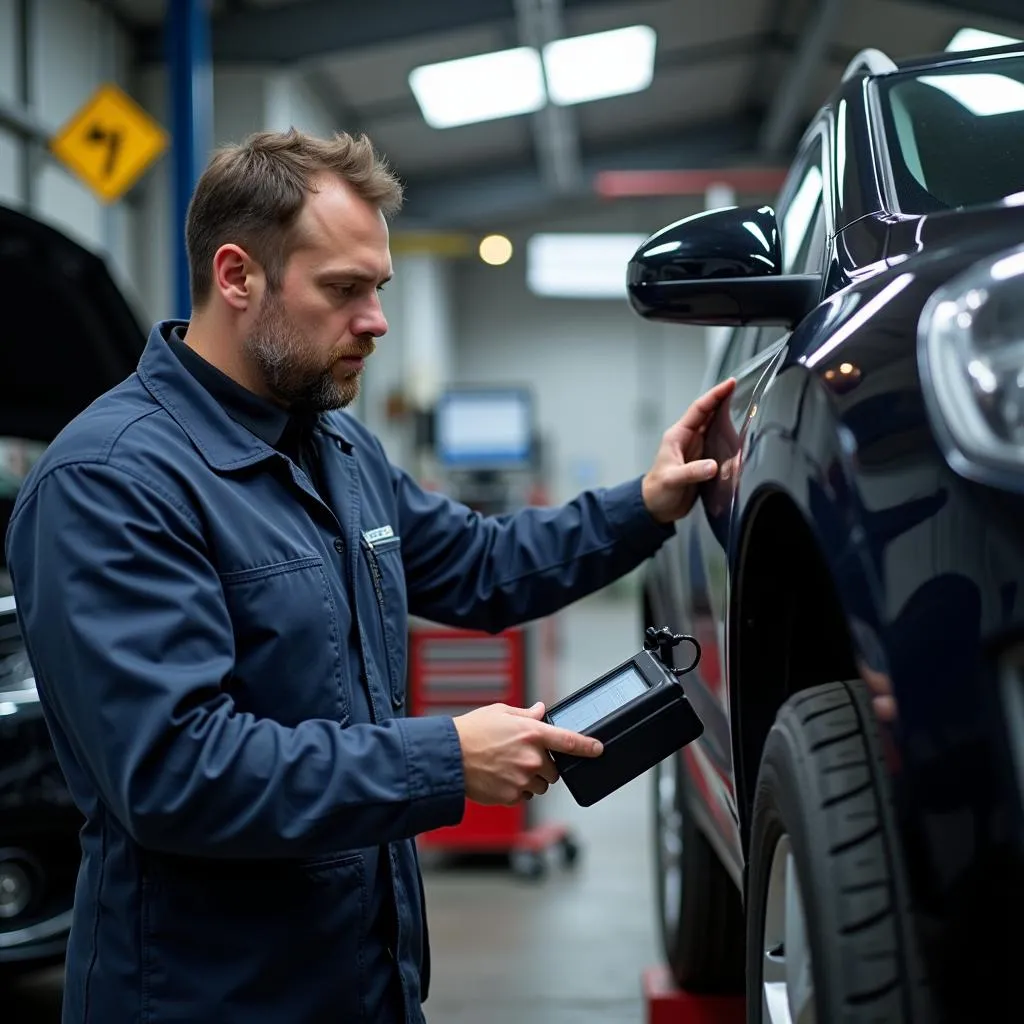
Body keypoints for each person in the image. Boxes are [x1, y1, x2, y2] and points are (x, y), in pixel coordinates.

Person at [5, 128, 737, 1024]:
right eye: (344, 290)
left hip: (368, 979)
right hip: (205, 998)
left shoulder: (336, 446)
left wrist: (649, 503)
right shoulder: (113, 481)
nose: (377, 321)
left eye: (379, 288)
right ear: (237, 277)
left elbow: (482, 565)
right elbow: (176, 772)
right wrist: (446, 758)